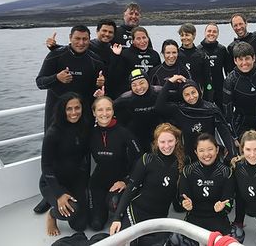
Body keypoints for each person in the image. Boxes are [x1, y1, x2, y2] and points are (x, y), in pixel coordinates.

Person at [109, 123, 185, 246]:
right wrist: (117, 218)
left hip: (159, 217)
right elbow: (130, 189)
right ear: (156, 142)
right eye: (162, 142)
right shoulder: (147, 160)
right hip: (137, 212)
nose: (166, 146)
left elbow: (179, 194)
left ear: (176, 141)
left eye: (170, 141)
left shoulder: (181, 163)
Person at [222, 41, 256, 235]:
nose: (244, 63)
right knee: (243, 172)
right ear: (235, 60)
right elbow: (227, 111)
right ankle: (239, 219)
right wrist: (235, 136)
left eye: (248, 59)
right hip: (243, 126)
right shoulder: (231, 79)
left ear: (254, 58)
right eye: (240, 59)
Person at [39, 92, 90, 236]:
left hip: (74, 180)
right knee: (69, 211)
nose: (74, 113)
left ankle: (60, 204)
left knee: (80, 225)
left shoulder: (84, 126)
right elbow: (46, 166)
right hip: (53, 182)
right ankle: (52, 214)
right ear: (63, 110)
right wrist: (59, 194)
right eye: (69, 109)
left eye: (77, 108)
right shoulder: (53, 133)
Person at [36, 25, 105, 132]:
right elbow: (40, 83)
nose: (81, 43)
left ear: (89, 39)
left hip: (82, 114)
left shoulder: (96, 60)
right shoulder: (55, 55)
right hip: (56, 114)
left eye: (85, 39)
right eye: (77, 38)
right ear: (70, 38)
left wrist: (99, 85)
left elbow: (95, 91)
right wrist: (57, 78)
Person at [88, 96, 142, 231]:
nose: (104, 113)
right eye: (100, 110)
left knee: (114, 204)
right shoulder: (89, 133)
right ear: (94, 113)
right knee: (96, 225)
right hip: (98, 181)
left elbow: (140, 159)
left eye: (108, 109)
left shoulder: (124, 133)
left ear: (113, 111)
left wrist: (126, 181)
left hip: (120, 180)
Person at [155, 75, 237, 162]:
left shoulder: (211, 109)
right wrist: (170, 82)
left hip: (209, 156)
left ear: (199, 91)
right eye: (186, 95)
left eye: (193, 92)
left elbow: (225, 132)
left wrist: (233, 154)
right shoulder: (179, 110)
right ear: (182, 96)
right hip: (189, 158)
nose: (191, 97)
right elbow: (159, 107)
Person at [179, 133, 234, 238]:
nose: (206, 154)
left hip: (218, 218)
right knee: (175, 241)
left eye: (210, 149)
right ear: (196, 152)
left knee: (238, 235)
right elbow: (181, 197)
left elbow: (229, 203)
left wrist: (223, 207)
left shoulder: (226, 172)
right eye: (201, 150)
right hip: (194, 217)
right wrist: (185, 203)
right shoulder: (188, 170)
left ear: (217, 150)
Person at [110, 68, 162, 152]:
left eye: (142, 83)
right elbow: (108, 108)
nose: (139, 87)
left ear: (148, 81)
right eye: (134, 85)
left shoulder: (159, 92)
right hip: (136, 134)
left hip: (158, 132)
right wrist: (102, 97)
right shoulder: (125, 98)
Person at [112, 26, 161, 96]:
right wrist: (116, 56)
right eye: (138, 38)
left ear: (148, 38)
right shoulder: (125, 54)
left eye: (144, 38)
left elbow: (158, 75)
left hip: (150, 92)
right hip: (131, 92)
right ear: (133, 41)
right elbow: (118, 76)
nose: (142, 41)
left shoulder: (154, 54)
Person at [197, 22, 229, 109]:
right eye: (209, 31)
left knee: (222, 110)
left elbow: (228, 71)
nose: (211, 33)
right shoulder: (198, 50)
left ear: (218, 34)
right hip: (204, 87)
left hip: (219, 86)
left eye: (214, 32)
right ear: (205, 33)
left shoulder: (222, 50)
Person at [177, 23, 210, 91]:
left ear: (194, 35)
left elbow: (207, 79)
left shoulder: (202, 55)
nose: (184, 38)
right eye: (182, 35)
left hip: (197, 93)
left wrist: (209, 96)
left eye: (187, 35)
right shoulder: (176, 54)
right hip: (180, 92)